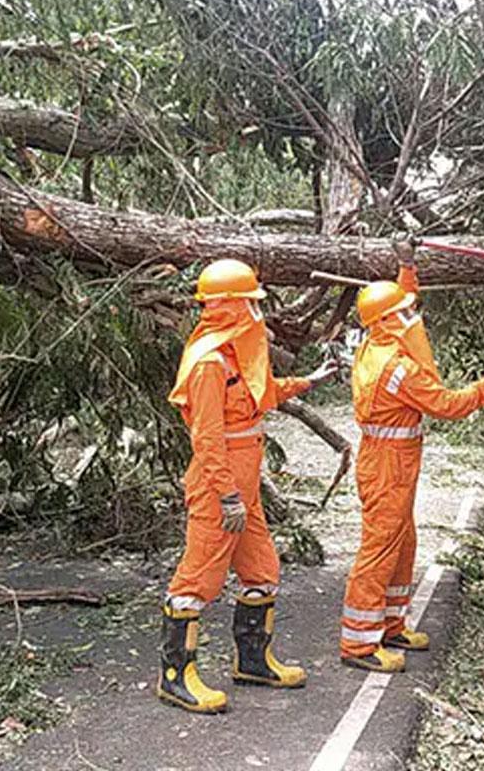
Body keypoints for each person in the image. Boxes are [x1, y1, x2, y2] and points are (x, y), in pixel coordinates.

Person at [160, 258, 338, 713]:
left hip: (245, 486)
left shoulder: (236, 353)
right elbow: (207, 438)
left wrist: (310, 381)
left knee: (261, 571)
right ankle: (175, 678)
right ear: (231, 307)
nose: (258, 314)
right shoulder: (208, 363)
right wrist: (227, 494)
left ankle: (252, 661)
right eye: (251, 305)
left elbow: (262, 393)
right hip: (220, 487)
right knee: (198, 577)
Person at [339, 239, 484, 672]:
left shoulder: (374, 343)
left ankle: (391, 623)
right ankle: (359, 644)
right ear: (391, 322)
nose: (413, 316)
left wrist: (407, 266)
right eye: (405, 313)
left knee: (402, 542)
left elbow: (402, 305)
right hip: (388, 463)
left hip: (392, 458)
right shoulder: (398, 370)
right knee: (380, 547)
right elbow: (448, 404)